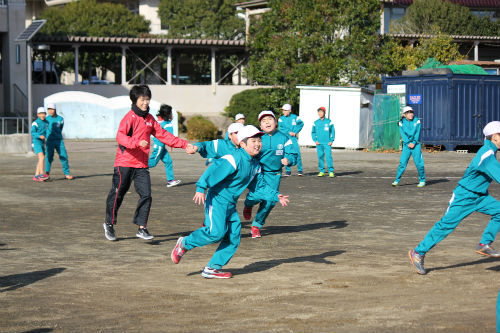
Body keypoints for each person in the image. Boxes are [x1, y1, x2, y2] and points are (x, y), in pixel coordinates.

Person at [170, 125, 290, 278]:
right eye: (253, 140)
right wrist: (201, 187)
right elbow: (213, 171)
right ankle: (184, 243)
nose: (258, 143)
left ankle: (213, 268)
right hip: (217, 199)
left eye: (259, 140)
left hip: (230, 204)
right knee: (216, 233)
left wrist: (275, 195)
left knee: (234, 237)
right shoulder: (234, 158)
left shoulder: (255, 165)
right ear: (242, 143)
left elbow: (259, 186)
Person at [103, 85, 196, 241]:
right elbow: (121, 137)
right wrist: (137, 143)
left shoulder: (150, 119)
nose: (145, 102)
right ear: (135, 100)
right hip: (124, 162)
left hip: (141, 165)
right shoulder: (129, 117)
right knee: (118, 193)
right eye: (142, 99)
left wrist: (184, 144)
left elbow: (164, 135)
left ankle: (142, 228)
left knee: (146, 195)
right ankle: (109, 224)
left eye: (147, 99)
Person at [409, 121, 500, 275]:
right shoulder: (487, 154)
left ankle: (484, 243)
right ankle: (418, 252)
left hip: (480, 196)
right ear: (495, 137)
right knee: (445, 226)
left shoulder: (490, 151)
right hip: (464, 196)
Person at [243, 110, 297, 238]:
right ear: (260, 126)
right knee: (256, 196)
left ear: (276, 122)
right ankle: (248, 204)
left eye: (270, 119)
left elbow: (293, 154)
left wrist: (288, 160)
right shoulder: (258, 138)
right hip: (258, 173)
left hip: (275, 175)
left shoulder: (284, 138)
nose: (267, 122)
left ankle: (256, 226)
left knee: (270, 201)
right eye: (263, 121)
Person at [148, 104, 182, 188]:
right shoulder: (168, 125)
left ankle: (170, 180)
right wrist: (171, 146)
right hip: (159, 147)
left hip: (161, 147)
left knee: (168, 161)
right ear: (168, 115)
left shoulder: (158, 121)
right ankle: (135, 169)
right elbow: (170, 138)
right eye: (171, 113)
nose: (172, 115)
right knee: (152, 163)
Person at [392, 106, 426, 187]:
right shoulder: (401, 122)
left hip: (416, 145)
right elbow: (403, 134)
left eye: (412, 112)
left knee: (419, 164)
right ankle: (396, 180)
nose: (411, 114)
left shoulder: (417, 120)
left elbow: (417, 133)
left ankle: (422, 180)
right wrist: (408, 143)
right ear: (404, 115)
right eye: (408, 112)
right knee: (402, 163)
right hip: (407, 146)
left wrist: (414, 142)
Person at [45, 102, 73, 180]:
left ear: (55, 109)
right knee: (49, 157)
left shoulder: (60, 119)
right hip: (49, 141)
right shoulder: (46, 119)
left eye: (52, 109)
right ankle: (47, 173)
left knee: (64, 156)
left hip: (59, 140)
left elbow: (60, 128)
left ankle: (67, 173)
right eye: (49, 109)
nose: (50, 111)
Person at [278, 103, 304, 177]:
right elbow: (281, 128)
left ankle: (300, 170)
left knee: (297, 153)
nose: (284, 112)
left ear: (289, 110)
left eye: (285, 110)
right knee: (286, 154)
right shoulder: (281, 119)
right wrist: (288, 132)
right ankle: (288, 171)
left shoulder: (295, 117)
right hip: (286, 138)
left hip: (293, 138)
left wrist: (295, 132)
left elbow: (301, 124)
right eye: (283, 110)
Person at [311, 106, 335, 178]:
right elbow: (313, 132)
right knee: (320, 157)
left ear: (324, 113)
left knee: (328, 157)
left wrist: (331, 140)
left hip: (327, 143)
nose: (320, 113)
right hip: (319, 143)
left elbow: (333, 132)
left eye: (321, 112)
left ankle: (331, 171)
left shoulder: (329, 122)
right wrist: (315, 140)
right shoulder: (315, 122)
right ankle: (322, 171)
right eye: (319, 112)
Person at [31, 107, 49, 182]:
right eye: (41, 114)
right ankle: (42, 174)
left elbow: (47, 132)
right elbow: (32, 132)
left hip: (42, 142)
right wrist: (39, 136)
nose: (42, 115)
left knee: (41, 158)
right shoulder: (35, 123)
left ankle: (36, 176)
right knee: (41, 157)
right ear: (38, 115)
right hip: (36, 142)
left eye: (44, 113)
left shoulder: (46, 122)